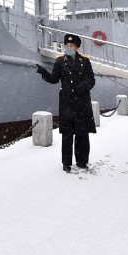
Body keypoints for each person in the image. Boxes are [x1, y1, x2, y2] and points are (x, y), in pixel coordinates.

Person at [36, 34, 96, 172]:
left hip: (81, 103)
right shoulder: (59, 62)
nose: (68, 48)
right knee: (67, 135)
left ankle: (82, 162)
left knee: (82, 134)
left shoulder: (85, 62)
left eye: (71, 46)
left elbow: (91, 79)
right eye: (67, 46)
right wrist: (43, 73)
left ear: (77, 47)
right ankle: (66, 163)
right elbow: (54, 79)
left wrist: (83, 86)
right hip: (67, 103)